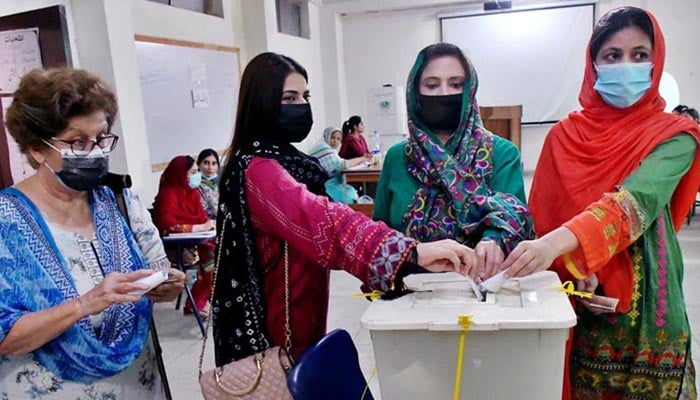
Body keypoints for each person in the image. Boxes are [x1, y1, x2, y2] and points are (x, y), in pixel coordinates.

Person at [212, 52, 477, 366]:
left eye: (305, 96)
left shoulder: (286, 163)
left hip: (301, 320)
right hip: (274, 337)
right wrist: (409, 253)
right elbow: (324, 222)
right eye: (289, 97)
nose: (301, 105)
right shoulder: (258, 170)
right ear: (262, 103)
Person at [501, 7, 700, 400]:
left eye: (640, 55)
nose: (626, 65)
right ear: (593, 65)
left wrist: (556, 245)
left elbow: (635, 202)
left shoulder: (676, 137)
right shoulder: (563, 138)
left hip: (652, 316)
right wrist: (573, 273)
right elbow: (540, 219)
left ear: (656, 61)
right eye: (612, 56)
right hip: (581, 309)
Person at [0, 67, 185, 398]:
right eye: (78, 142)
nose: (96, 151)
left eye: (101, 139)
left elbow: (159, 273)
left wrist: (167, 285)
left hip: (139, 385)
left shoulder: (119, 201)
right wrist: (84, 304)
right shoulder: (5, 222)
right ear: (36, 149)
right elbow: (5, 337)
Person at [373, 43, 535, 280]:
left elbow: (515, 218)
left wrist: (494, 241)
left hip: (483, 293)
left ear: (469, 89)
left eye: (456, 84)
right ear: (415, 92)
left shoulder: (502, 153)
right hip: (411, 294)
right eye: (432, 84)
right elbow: (380, 233)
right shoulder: (398, 157)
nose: (444, 93)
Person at [152, 155, 216, 318]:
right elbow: (168, 227)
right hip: (178, 248)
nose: (197, 176)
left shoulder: (192, 193)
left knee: (225, 253)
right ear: (181, 173)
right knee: (213, 261)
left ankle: (197, 301)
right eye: (193, 172)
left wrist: (210, 224)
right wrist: (200, 227)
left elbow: (203, 219)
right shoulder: (168, 195)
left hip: (197, 243)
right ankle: (197, 301)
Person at [308, 126, 370, 203]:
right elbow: (342, 164)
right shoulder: (323, 148)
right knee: (350, 197)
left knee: (352, 192)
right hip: (322, 185)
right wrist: (362, 159)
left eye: (338, 139)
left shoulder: (329, 149)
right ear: (326, 136)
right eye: (332, 137)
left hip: (329, 181)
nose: (335, 141)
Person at [196, 148, 220, 219]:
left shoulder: (218, 183)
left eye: (214, 163)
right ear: (198, 165)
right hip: (207, 223)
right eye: (206, 163)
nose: (210, 167)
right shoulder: (196, 184)